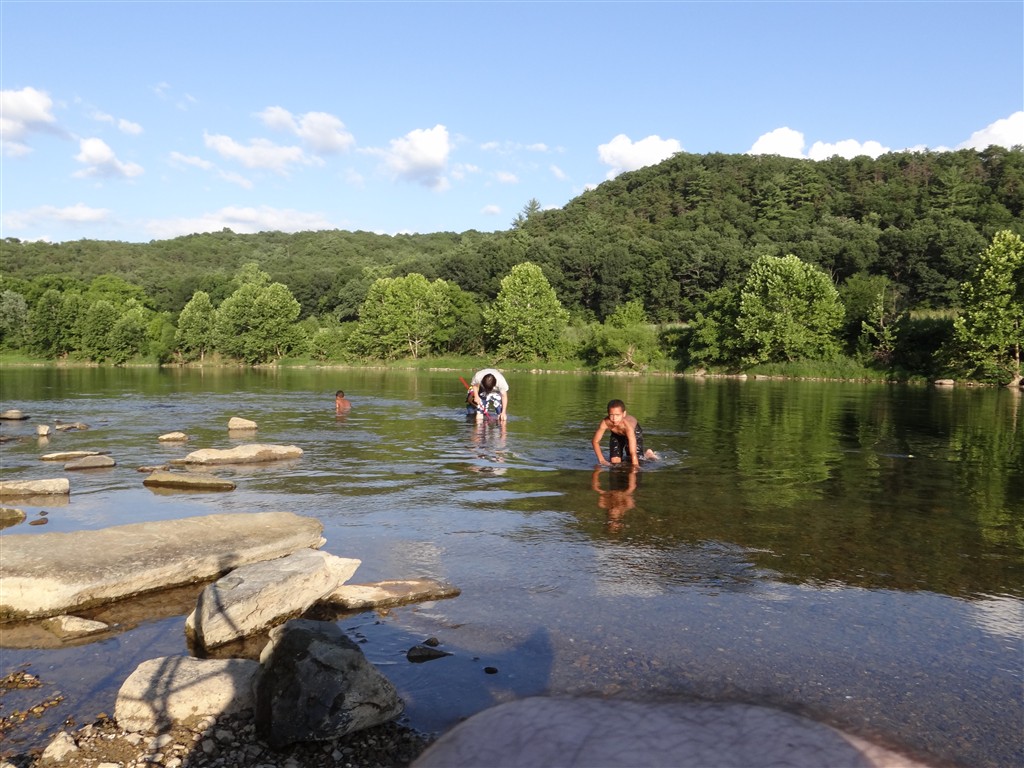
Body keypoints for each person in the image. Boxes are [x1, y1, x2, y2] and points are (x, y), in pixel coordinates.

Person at [591, 399, 657, 467]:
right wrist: (602, 460)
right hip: (617, 433)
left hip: (633, 432)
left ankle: (649, 455)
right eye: (611, 415)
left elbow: (633, 453)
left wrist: (635, 468)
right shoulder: (605, 423)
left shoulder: (628, 427)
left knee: (636, 459)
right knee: (614, 462)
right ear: (608, 414)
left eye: (617, 415)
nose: (614, 419)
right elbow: (595, 441)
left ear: (624, 414)